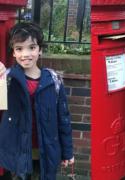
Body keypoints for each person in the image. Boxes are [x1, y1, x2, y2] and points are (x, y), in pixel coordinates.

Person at [0, 22, 74, 180]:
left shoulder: (54, 80)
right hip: (17, 152)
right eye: (19, 49)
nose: (25, 54)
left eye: (31, 47)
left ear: (40, 49)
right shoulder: (8, 79)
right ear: (13, 52)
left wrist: (68, 152)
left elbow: (64, 119)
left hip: (45, 152)